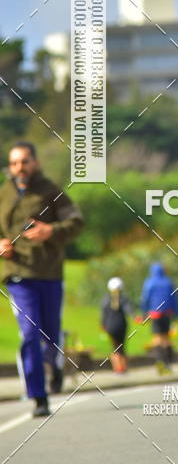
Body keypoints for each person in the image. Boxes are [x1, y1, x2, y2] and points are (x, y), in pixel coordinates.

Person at [0, 141, 83, 417]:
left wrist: (51, 231)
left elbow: (76, 222)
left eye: (23, 161)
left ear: (34, 162)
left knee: (50, 333)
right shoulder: (3, 194)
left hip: (48, 273)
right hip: (17, 274)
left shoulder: (51, 192)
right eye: (14, 163)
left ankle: (55, 365)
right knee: (30, 333)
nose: (18, 168)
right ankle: (38, 396)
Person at [140, 262, 178, 374]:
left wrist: (144, 313)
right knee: (166, 339)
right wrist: (177, 315)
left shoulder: (149, 282)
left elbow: (145, 299)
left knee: (157, 339)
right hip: (167, 314)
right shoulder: (168, 282)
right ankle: (168, 364)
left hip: (155, 314)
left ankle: (159, 362)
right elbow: (175, 300)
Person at [100, 276, 133, 373]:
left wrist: (103, 325)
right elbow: (129, 310)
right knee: (122, 347)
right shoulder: (123, 299)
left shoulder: (105, 299)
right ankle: (123, 367)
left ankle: (117, 368)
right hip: (122, 326)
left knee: (115, 347)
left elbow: (103, 314)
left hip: (110, 326)